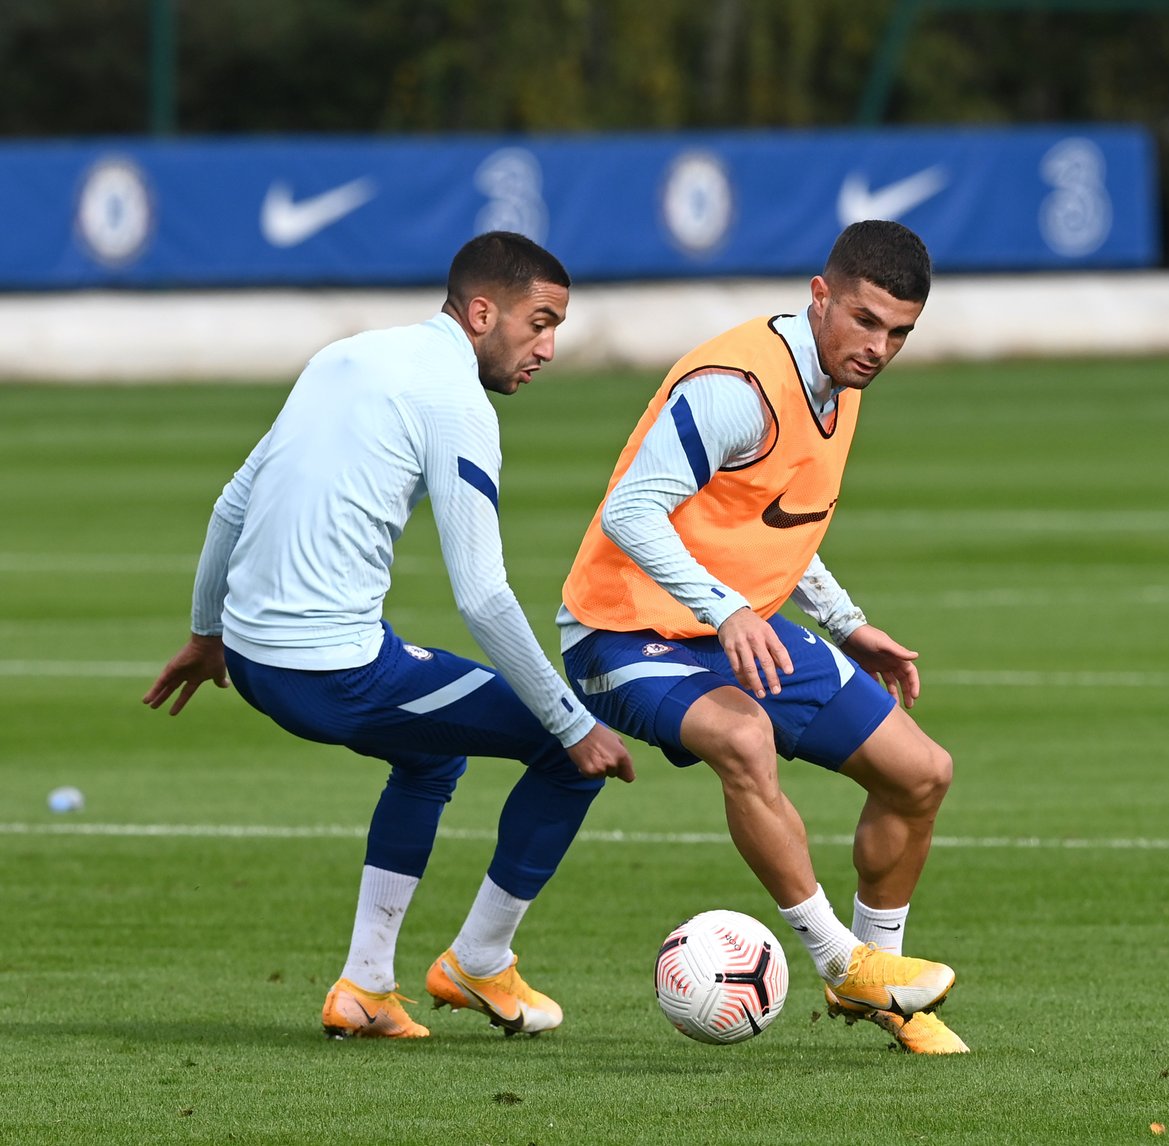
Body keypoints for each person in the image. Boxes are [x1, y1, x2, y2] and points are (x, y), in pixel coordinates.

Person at [144, 230, 633, 1041]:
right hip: (334, 673)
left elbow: (234, 501)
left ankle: (367, 988)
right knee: (567, 749)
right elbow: (482, 593)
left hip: (257, 659)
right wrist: (572, 720)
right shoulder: (455, 402)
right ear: (483, 313)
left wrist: (207, 635)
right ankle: (479, 962)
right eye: (539, 322)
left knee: (431, 753)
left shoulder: (345, 356)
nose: (548, 347)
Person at [559, 220, 968, 1055]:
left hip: (724, 626)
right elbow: (633, 510)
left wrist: (848, 624)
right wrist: (729, 610)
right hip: (620, 629)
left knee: (921, 775)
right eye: (864, 319)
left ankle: (880, 991)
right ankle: (839, 960)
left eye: (898, 332)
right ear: (820, 296)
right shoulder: (737, 387)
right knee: (743, 737)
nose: (878, 346)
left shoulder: (839, 385)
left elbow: (776, 517)